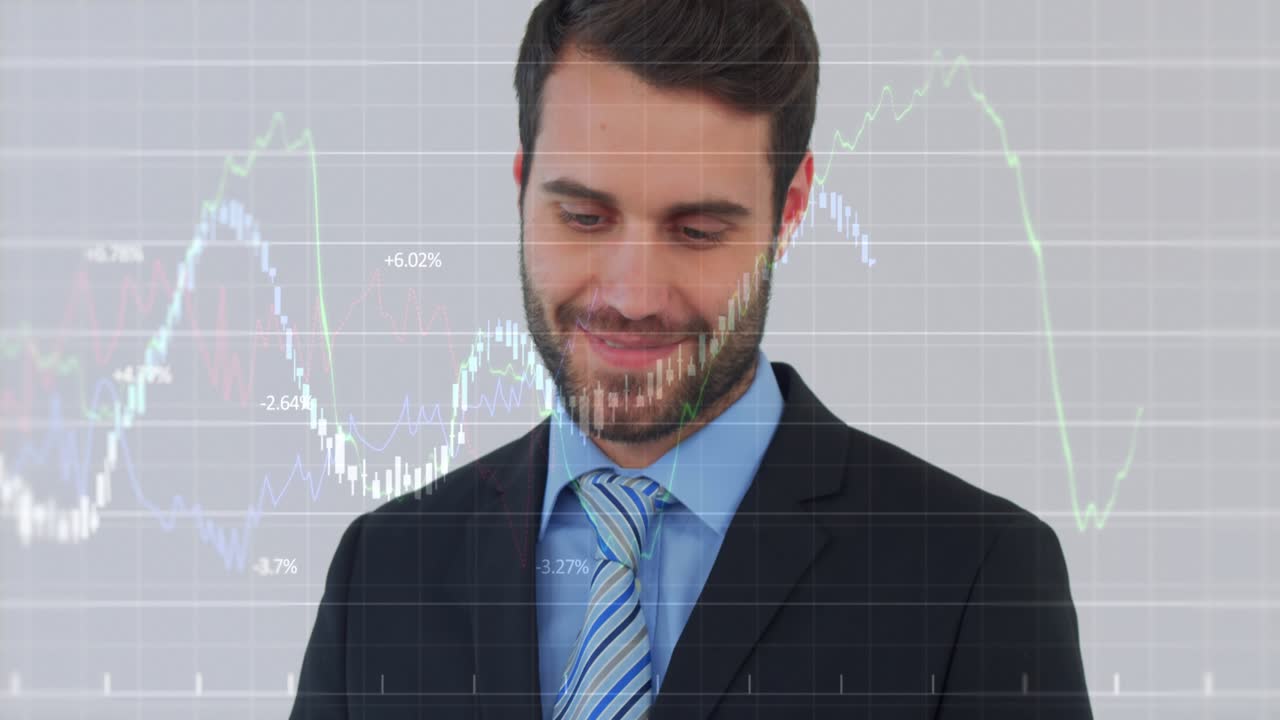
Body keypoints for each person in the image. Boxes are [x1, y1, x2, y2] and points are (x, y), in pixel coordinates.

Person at [290, 0, 1093, 718]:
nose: (634, 296)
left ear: (790, 210)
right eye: (584, 217)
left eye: (698, 232)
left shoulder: (972, 575)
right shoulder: (383, 571)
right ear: (522, 185)